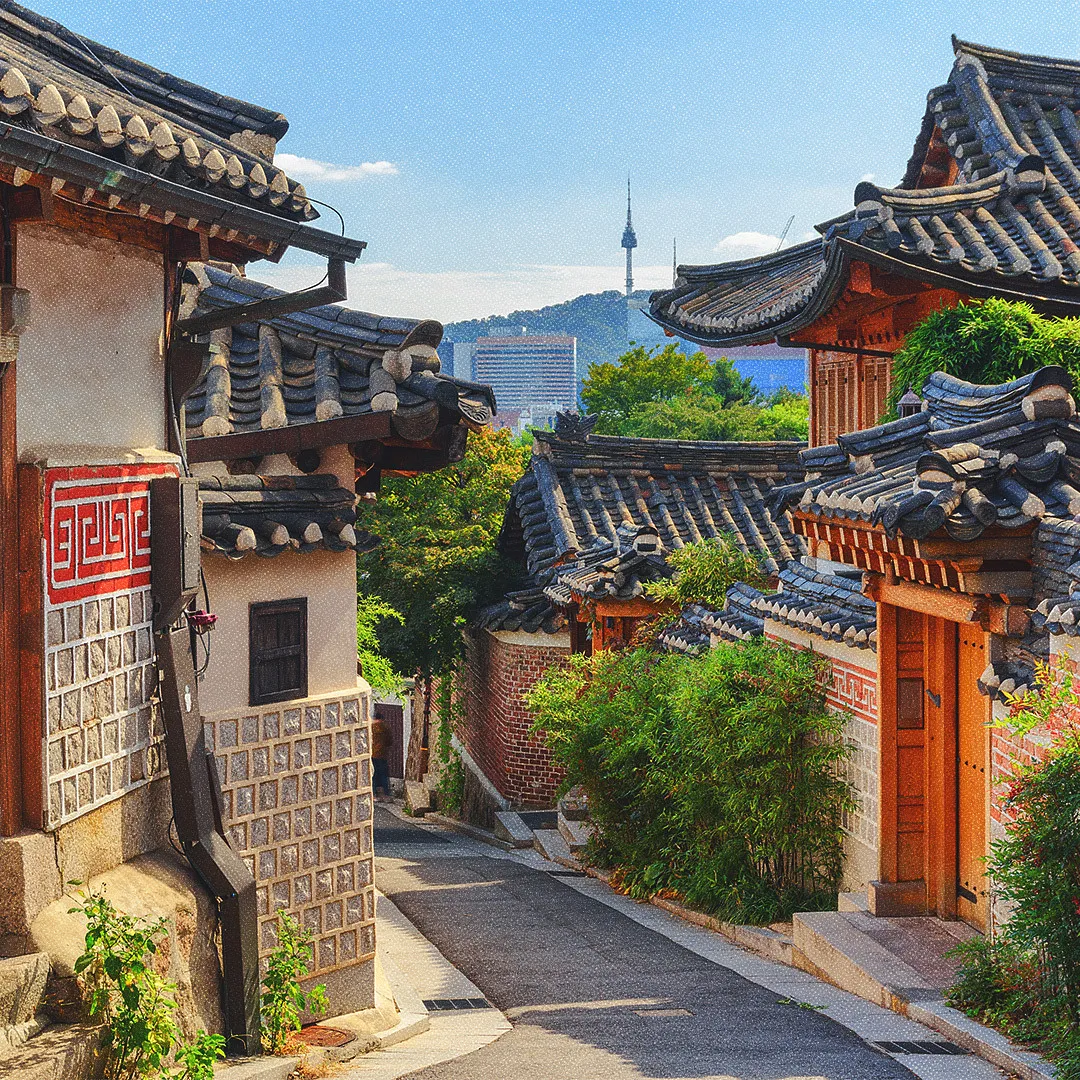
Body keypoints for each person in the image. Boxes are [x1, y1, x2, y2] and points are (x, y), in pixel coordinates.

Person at [371, 714, 392, 800]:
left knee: (373, 775)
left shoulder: (371, 727)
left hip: (373, 754)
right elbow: (389, 741)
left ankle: (374, 794)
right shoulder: (386, 728)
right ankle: (386, 794)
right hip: (383, 755)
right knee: (383, 775)